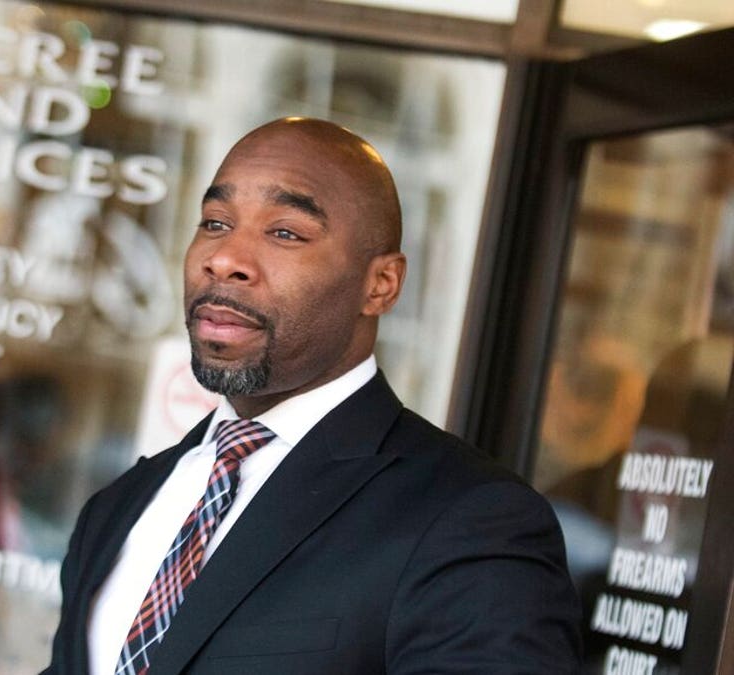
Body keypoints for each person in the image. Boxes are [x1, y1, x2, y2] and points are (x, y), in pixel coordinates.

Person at [42, 117, 582, 674]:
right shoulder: (121, 506)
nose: (225, 258)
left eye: (284, 233)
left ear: (380, 285)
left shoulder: (469, 521)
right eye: (215, 221)